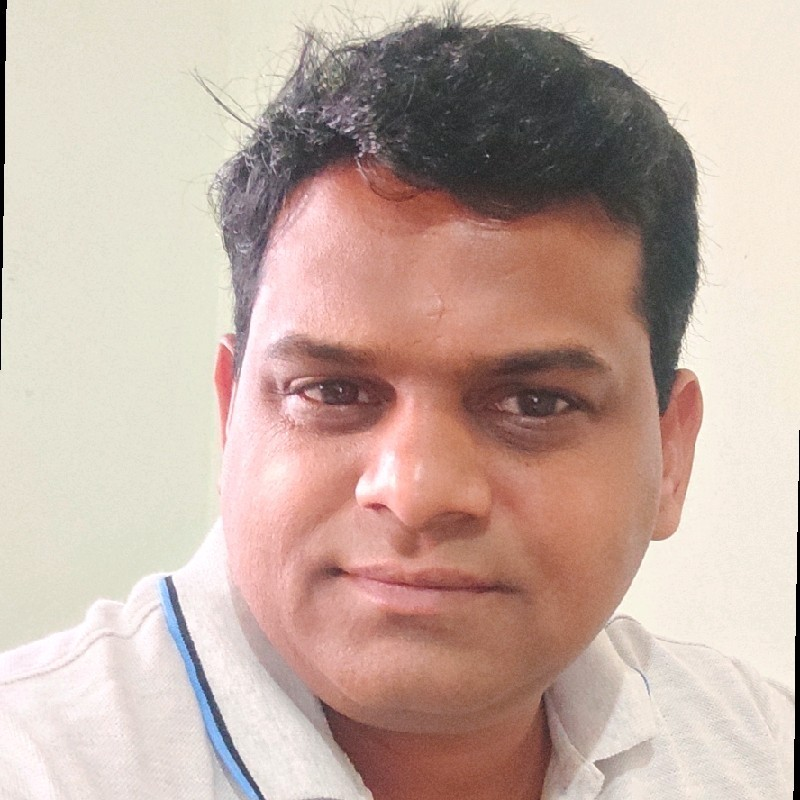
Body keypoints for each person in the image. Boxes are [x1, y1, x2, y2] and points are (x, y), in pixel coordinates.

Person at [0, 11, 793, 800]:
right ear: (229, 416)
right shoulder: (37, 765)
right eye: (333, 391)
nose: (417, 493)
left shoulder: (757, 746)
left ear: (672, 456)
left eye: (535, 402)